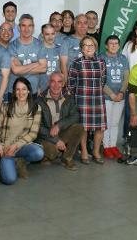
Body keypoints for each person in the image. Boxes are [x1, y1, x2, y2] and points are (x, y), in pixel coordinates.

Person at [67, 36, 107, 164]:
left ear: (95, 48)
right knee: (83, 128)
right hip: (82, 99)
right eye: (85, 45)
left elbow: (103, 81)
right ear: (81, 48)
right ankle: (84, 151)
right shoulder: (76, 63)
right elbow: (71, 83)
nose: (88, 48)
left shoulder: (101, 62)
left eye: (91, 45)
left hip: (98, 98)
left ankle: (95, 151)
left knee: (100, 128)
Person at [0, 77, 44, 184]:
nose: (21, 92)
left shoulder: (36, 108)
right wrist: (4, 148)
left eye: (24, 89)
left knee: (38, 153)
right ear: (14, 92)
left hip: (21, 146)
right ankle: (4, 164)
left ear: (28, 91)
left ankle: (20, 160)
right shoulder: (6, 107)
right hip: (6, 148)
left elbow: (33, 134)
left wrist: (16, 145)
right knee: (9, 180)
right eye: (17, 89)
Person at [36, 73, 84, 170]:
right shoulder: (40, 100)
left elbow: (75, 116)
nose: (56, 85)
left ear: (63, 84)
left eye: (59, 82)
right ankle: (49, 155)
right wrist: (56, 140)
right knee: (53, 153)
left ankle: (67, 158)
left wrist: (59, 125)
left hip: (62, 132)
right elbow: (37, 126)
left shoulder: (69, 98)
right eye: (53, 82)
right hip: (46, 136)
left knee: (79, 127)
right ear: (49, 83)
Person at [100, 35, 129, 159]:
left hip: (120, 96)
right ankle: (106, 147)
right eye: (111, 43)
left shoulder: (123, 58)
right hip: (106, 96)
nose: (113, 45)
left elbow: (127, 77)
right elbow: (100, 79)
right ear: (106, 45)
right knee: (107, 123)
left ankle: (113, 146)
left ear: (119, 45)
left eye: (116, 43)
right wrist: (111, 94)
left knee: (115, 123)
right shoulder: (101, 58)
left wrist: (122, 92)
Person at [9, 14, 47, 98]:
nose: (26, 29)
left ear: (33, 28)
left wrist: (21, 68)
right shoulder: (12, 46)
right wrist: (36, 64)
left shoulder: (40, 45)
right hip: (15, 91)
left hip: (32, 89)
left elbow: (44, 68)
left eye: (30, 26)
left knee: (32, 111)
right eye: (23, 25)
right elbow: (15, 70)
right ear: (19, 27)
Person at [60, 14, 88, 82]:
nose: (82, 26)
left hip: (88, 80)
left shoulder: (92, 41)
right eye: (79, 23)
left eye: (85, 23)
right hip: (72, 80)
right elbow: (63, 64)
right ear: (74, 25)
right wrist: (67, 82)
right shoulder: (67, 41)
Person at [38, 23, 62, 94]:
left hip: (56, 88)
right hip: (41, 88)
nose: (50, 37)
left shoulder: (59, 49)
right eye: (47, 34)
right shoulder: (37, 49)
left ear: (55, 34)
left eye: (52, 34)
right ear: (42, 35)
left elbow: (61, 69)